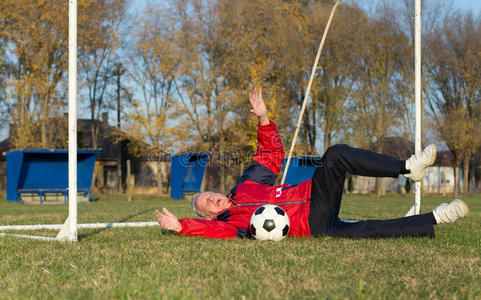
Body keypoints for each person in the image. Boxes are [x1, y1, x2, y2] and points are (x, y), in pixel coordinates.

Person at [155, 88, 469, 239]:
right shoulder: (231, 223)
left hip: (317, 194)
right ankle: (437, 218)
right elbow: (212, 232)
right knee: (362, 232)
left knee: (334, 154)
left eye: (208, 193)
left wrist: (264, 117)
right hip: (312, 225)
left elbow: (269, 155)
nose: (211, 198)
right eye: (205, 204)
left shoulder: (245, 184)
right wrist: (182, 226)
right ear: (208, 214)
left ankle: (406, 168)